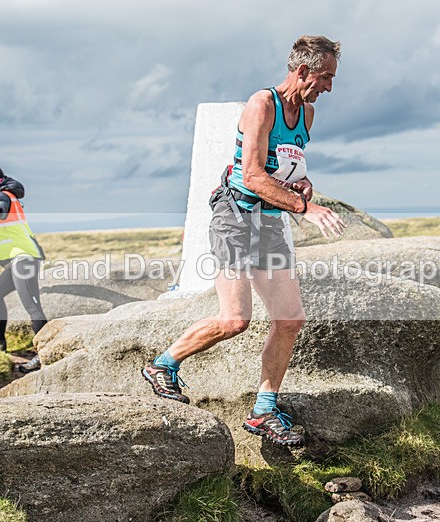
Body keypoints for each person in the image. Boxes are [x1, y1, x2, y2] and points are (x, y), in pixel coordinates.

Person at [142, 35, 346, 446]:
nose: (328, 87)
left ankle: (264, 410)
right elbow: (252, 175)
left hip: (268, 222)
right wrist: (306, 208)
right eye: (325, 77)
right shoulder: (262, 105)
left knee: (290, 320)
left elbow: (284, 169)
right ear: (302, 70)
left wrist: (302, 183)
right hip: (234, 217)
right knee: (234, 320)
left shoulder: (306, 114)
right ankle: (163, 365)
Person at [0, 165, 47, 373]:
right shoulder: (2, 195)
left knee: (32, 306)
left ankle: (43, 355)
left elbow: (1, 206)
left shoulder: (0, 196)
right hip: (19, 260)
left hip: (24, 259)